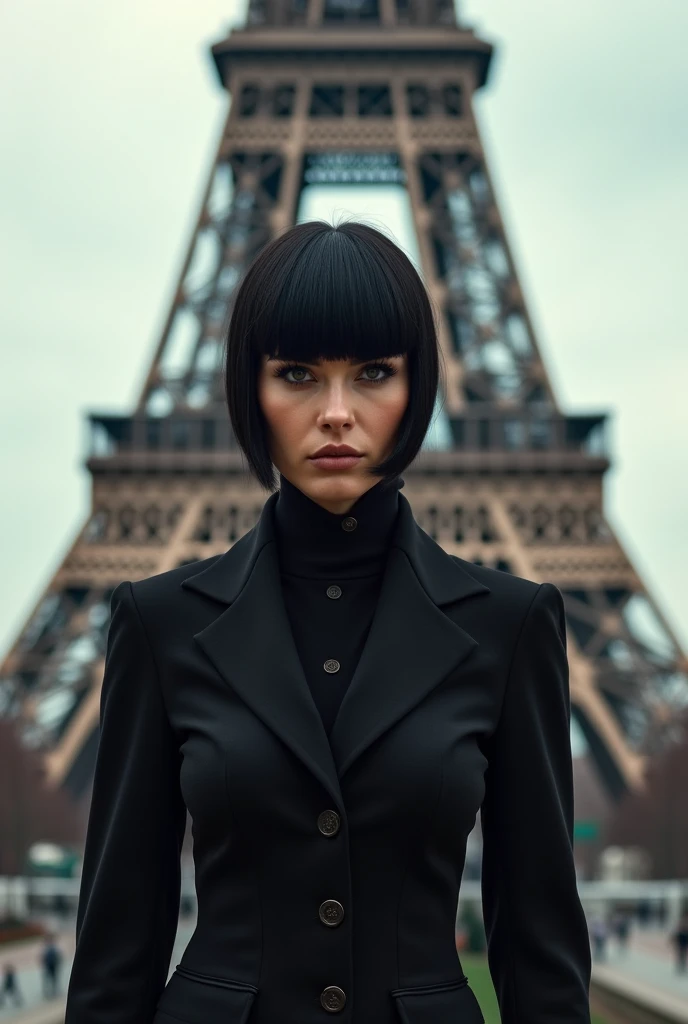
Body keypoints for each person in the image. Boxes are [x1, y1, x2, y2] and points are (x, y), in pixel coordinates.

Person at [64, 221, 592, 1024]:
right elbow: (116, 950)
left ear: (418, 388)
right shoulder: (158, 624)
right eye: (299, 373)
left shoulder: (513, 629)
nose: (337, 413)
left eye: (374, 372)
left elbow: (541, 954)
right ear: (254, 389)